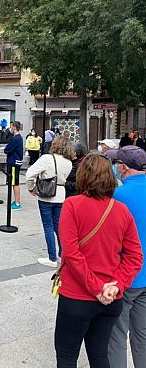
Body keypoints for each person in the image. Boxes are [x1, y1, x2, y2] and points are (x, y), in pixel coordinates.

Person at [54, 154, 143, 367]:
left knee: (67, 356)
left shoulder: (72, 205)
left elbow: (72, 253)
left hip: (77, 296)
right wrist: (117, 285)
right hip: (111, 297)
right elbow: (135, 256)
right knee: (100, 355)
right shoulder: (121, 210)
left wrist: (95, 288)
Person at [106, 146, 146, 368]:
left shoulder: (119, 195)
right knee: (142, 335)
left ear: (123, 166)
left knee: (117, 334)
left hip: (127, 275)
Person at [25, 136, 74, 268]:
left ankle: (52, 257)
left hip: (46, 194)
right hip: (61, 195)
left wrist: (31, 188)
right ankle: (62, 254)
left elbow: (30, 174)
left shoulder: (47, 158)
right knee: (58, 227)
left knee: (48, 226)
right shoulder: (68, 162)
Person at [4, 120, 24, 210]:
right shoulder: (17, 138)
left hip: (13, 163)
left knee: (15, 183)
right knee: (13, 182)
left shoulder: (16, 139)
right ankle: (16, 200)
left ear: (14, 127)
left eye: (11, 126)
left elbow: (7, 149)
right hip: (15, 162)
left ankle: (17, 203)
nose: (10, 128)